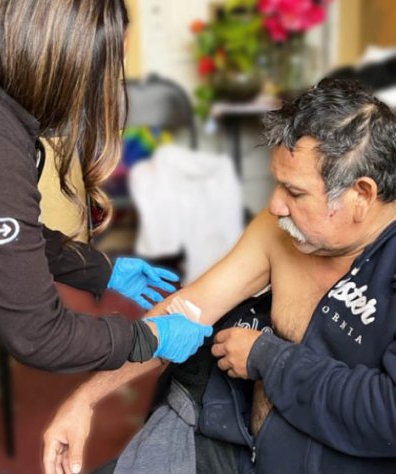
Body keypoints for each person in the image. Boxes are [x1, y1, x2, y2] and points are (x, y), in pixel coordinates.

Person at [43, 78, 396, 474]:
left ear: (362, 196)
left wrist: (265, 356)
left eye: (294, 193)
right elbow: (189, 310)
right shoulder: (277, 231)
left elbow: (386, 414)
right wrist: (86, 398)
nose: (275, 205)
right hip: (236, 445)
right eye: (277, 184)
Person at [0, 0, 212, 378]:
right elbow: (39, 335)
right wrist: (146, 337)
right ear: (64, 58)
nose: (97, 90)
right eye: (101, 72)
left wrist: (99, 270)